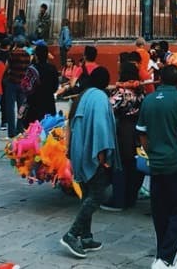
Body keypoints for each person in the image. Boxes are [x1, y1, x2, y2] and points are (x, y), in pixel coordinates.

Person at [136, 64, 177, 269]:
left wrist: (151, 152)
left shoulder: (149, 99)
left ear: (159, 79)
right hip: (176, 163)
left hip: (156, 163)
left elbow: (142, 133)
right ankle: (166, 259)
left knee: (160, 212)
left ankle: (162, 256)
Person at [60, 66, 118, 259]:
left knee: (87, 195)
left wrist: (69, 150)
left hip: (78, 150)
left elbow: (71, 124)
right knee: (97, 195)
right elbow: (100, 129)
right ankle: (72, 234)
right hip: (91, 152)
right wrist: (102, 155)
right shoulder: (100, 98)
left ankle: (86, 237)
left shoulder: (82, 96)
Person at [102, 60, 145, 212]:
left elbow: (109, 107)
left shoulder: (122, 93)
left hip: (123, 130)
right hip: (137, 131)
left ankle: (118, 199)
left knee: (120, 165)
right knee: (133, 166)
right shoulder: (140, 91)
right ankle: (130, 197)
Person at [21, 44, 58, 125]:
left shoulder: (32, 69)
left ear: (36, 56)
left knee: (33, 131)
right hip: (49, 102)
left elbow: (25, 87)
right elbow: (55, 87)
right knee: (47, 129)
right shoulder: (52, 68)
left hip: (34, 104)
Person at [5, 38, 30, 138]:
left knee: (10, 107)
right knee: (22, 107)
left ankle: (11, 131)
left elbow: (7, 67)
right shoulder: (28, 55)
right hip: (23, 83)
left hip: (12, 81)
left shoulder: (12, 53)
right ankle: (19, 127)